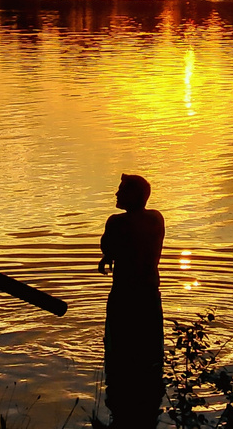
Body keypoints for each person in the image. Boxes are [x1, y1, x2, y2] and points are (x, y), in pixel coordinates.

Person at [99, 173, 165, 428]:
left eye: (121, 190)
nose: (116, 194)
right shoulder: (156, 219)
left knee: (119, 354)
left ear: (133, 196)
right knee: (150, 352)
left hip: (125, 298)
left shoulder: (116, 222)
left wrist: (108, 256)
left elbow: (109, 247)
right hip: (149, 296)